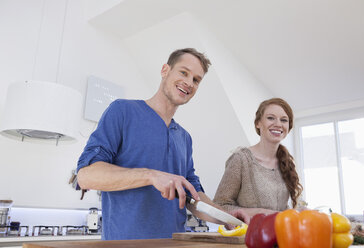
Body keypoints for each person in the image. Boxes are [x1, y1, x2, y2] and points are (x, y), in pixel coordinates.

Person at [76, 48, 226, 240]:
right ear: (165, 70)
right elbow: (86, 177)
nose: (189, 82)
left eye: (196, 80)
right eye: (183, 72)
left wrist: (227, 217)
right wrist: (151, 176)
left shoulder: (184, 138)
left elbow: (193, 197)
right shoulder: (122, 111)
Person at [213, 98, 303, 223]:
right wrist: (261, 213)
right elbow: (220, 207)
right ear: (258, 123)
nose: (278, 124)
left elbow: (280, 210)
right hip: (248, 240)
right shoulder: (241, 160)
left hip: (280, 238)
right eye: (271, 118)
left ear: (289, 127)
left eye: (284, 120)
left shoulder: (286, 162)